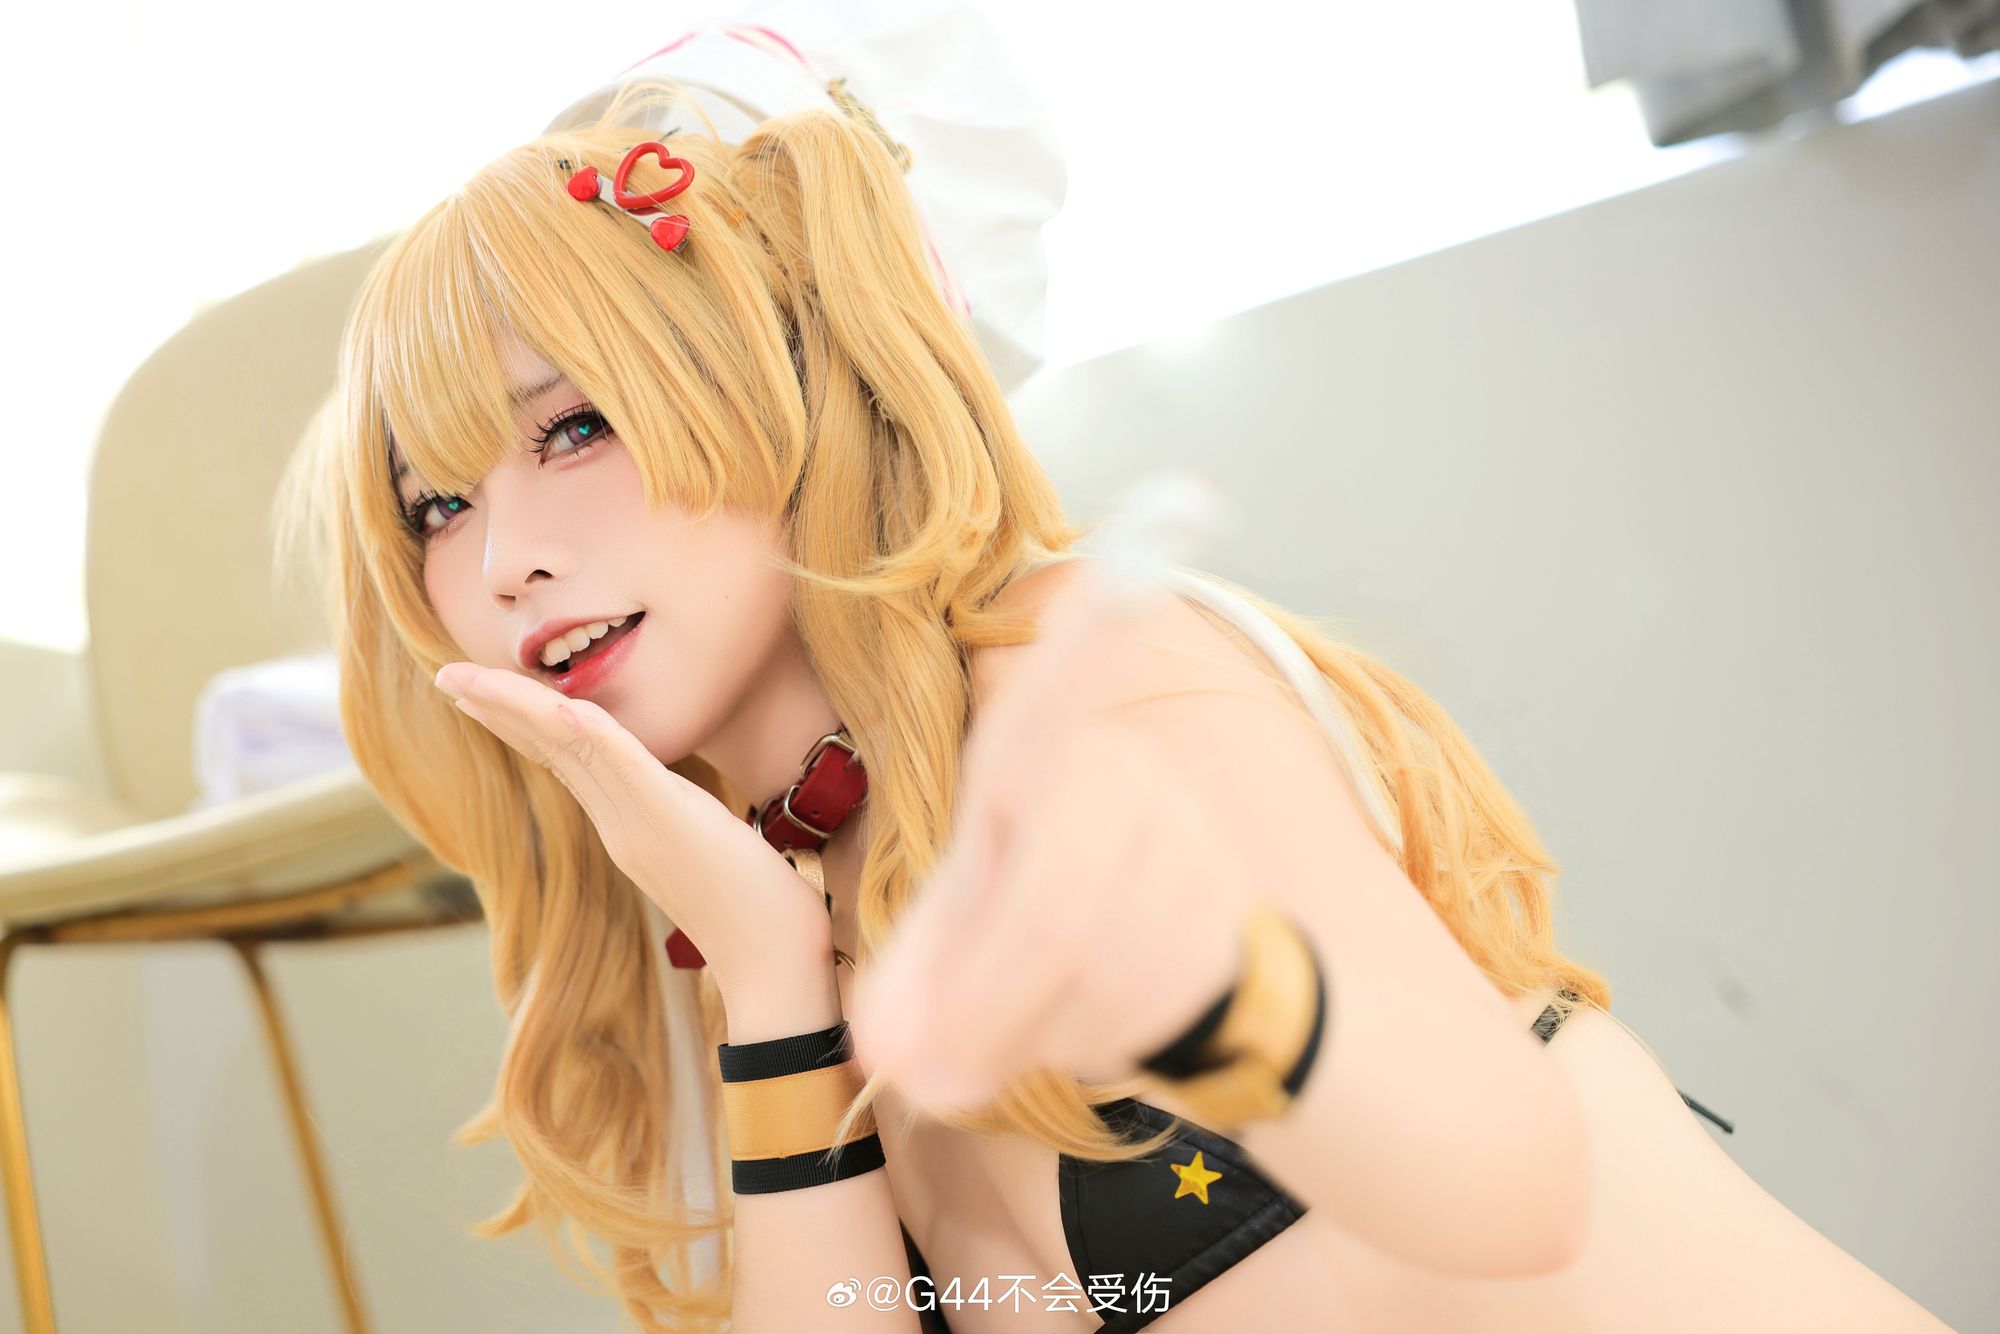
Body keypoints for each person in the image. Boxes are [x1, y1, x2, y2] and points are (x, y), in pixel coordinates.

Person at [282, 70, 1952, 1334]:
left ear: (785, 383)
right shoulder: (742, 889)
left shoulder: (1084, 680)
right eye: (438, 504)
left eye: (573, 426)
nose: (505, 556)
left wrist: (1204, 989)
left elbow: (1512, 1182)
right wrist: (775, 998)